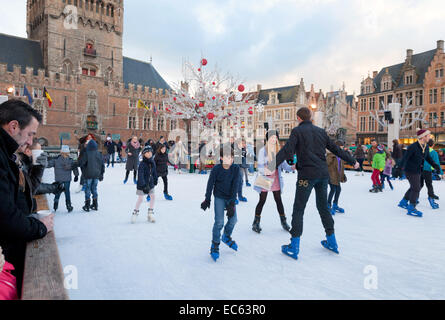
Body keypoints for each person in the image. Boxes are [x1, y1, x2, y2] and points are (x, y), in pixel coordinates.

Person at [274, 107, 359, 260]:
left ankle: (294, 246)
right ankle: (332, 241)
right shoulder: (321, 132)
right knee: (324, 207)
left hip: (306, 176)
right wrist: (352, 161)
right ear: (310, 117)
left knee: (299, 209)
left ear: (298, 118)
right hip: (322, 175)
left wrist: (271, 165)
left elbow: (287, 150)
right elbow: (335, 149)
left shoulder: (297, 132)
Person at [0, 99, 54, 298]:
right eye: (30, 134)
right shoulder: (9, 156)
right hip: (10, 252)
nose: (30, 142)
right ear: (13, 126)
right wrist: (39, 227)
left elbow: (28, 187)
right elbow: (6, 216)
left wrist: (39, 164)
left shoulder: (9, 155)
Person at [200, 144, 240, 262]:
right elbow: (210, 184)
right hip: (219, 197)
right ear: (222, 158)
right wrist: (207, 199)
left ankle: (226, 237)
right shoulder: (216, 169)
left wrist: (232, 203)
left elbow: (235, 186)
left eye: (232, 157)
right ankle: (215, 245)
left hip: (230, 197)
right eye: (228, 157)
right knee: (219, 222)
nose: (231, 159)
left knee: (233, 220)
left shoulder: (235, 169)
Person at [252, 130, 292, 233]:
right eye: (271, 138)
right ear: (268, 139)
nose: (274, 139)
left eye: (275, 138)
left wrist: (292, 167)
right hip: (265, 178)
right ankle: (256, 222)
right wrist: (265, 170)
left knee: (278, 200)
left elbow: (284, 165)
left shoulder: (279, 150)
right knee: (262, 200)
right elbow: (259, 166)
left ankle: (284, 221)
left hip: (275, 179)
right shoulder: (263, 151)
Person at [398, 129, 441, 216]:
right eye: (428, 136)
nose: (430, 137)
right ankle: (411, 207)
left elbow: (428, 158)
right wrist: (398, 169)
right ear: (423, 137)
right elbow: (405, 158)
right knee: (416, 188)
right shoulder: (413, 147)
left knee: (416, 186)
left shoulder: (426, 146)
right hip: (410, 170)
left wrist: (435, 165)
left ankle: (403, 202)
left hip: (418, 170)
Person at [47, 145, 79, 212]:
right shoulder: (70, 160)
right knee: (67, 192)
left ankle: (55, 204)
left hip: (59, 179)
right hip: (67, 179)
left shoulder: (56, 160)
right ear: (68, 153)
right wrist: (76, 175)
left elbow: (48, 164)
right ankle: (69, 206)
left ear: (61, 152)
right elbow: (74, 167)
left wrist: (41, 163)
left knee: (58, 192)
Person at [131, 145, 158, 223]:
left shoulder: (153, 162)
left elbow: (154, 172)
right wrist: (143, 185)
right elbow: (140, 175)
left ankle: (150, 213)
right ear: (144, 154)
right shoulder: (142, 164)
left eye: (150, 152)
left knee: (153, 196)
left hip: (150, 183)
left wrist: (155, 179)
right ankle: (135, 213)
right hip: (142, 184)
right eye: (147, 152)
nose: (149, 154)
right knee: (140, 199)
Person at [79, 140, 104, 212]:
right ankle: (95, 204)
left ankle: (87, 205)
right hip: (96, 175)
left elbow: (82, 163)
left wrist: (82, 170)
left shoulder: (86, 153)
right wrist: (101, 174)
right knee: (94, 189)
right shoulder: (99, 154)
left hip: (88, 174)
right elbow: (102, 165)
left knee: (87, 189)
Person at [327, 140, 348, 214]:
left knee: (338, 190)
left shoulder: (340, 155)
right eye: (340, 148)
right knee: (333, 189)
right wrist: (331, 156)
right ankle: (328, 205)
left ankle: (335, 204)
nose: (341, 149)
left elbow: (341, 167)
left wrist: (343, 175)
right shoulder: (330, 154)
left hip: (337, 176)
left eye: (342, 148)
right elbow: (326, 163)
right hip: (331, 176)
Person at [420, 139, 443, 203]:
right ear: (433, 145)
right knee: (429, 184)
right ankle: (431, 195)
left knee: (420, 184)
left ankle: (414, 197)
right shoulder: (433, 152)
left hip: (419, 169)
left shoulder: (422, 150)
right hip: (427, 170)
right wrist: (440, 172)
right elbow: (437, 163)